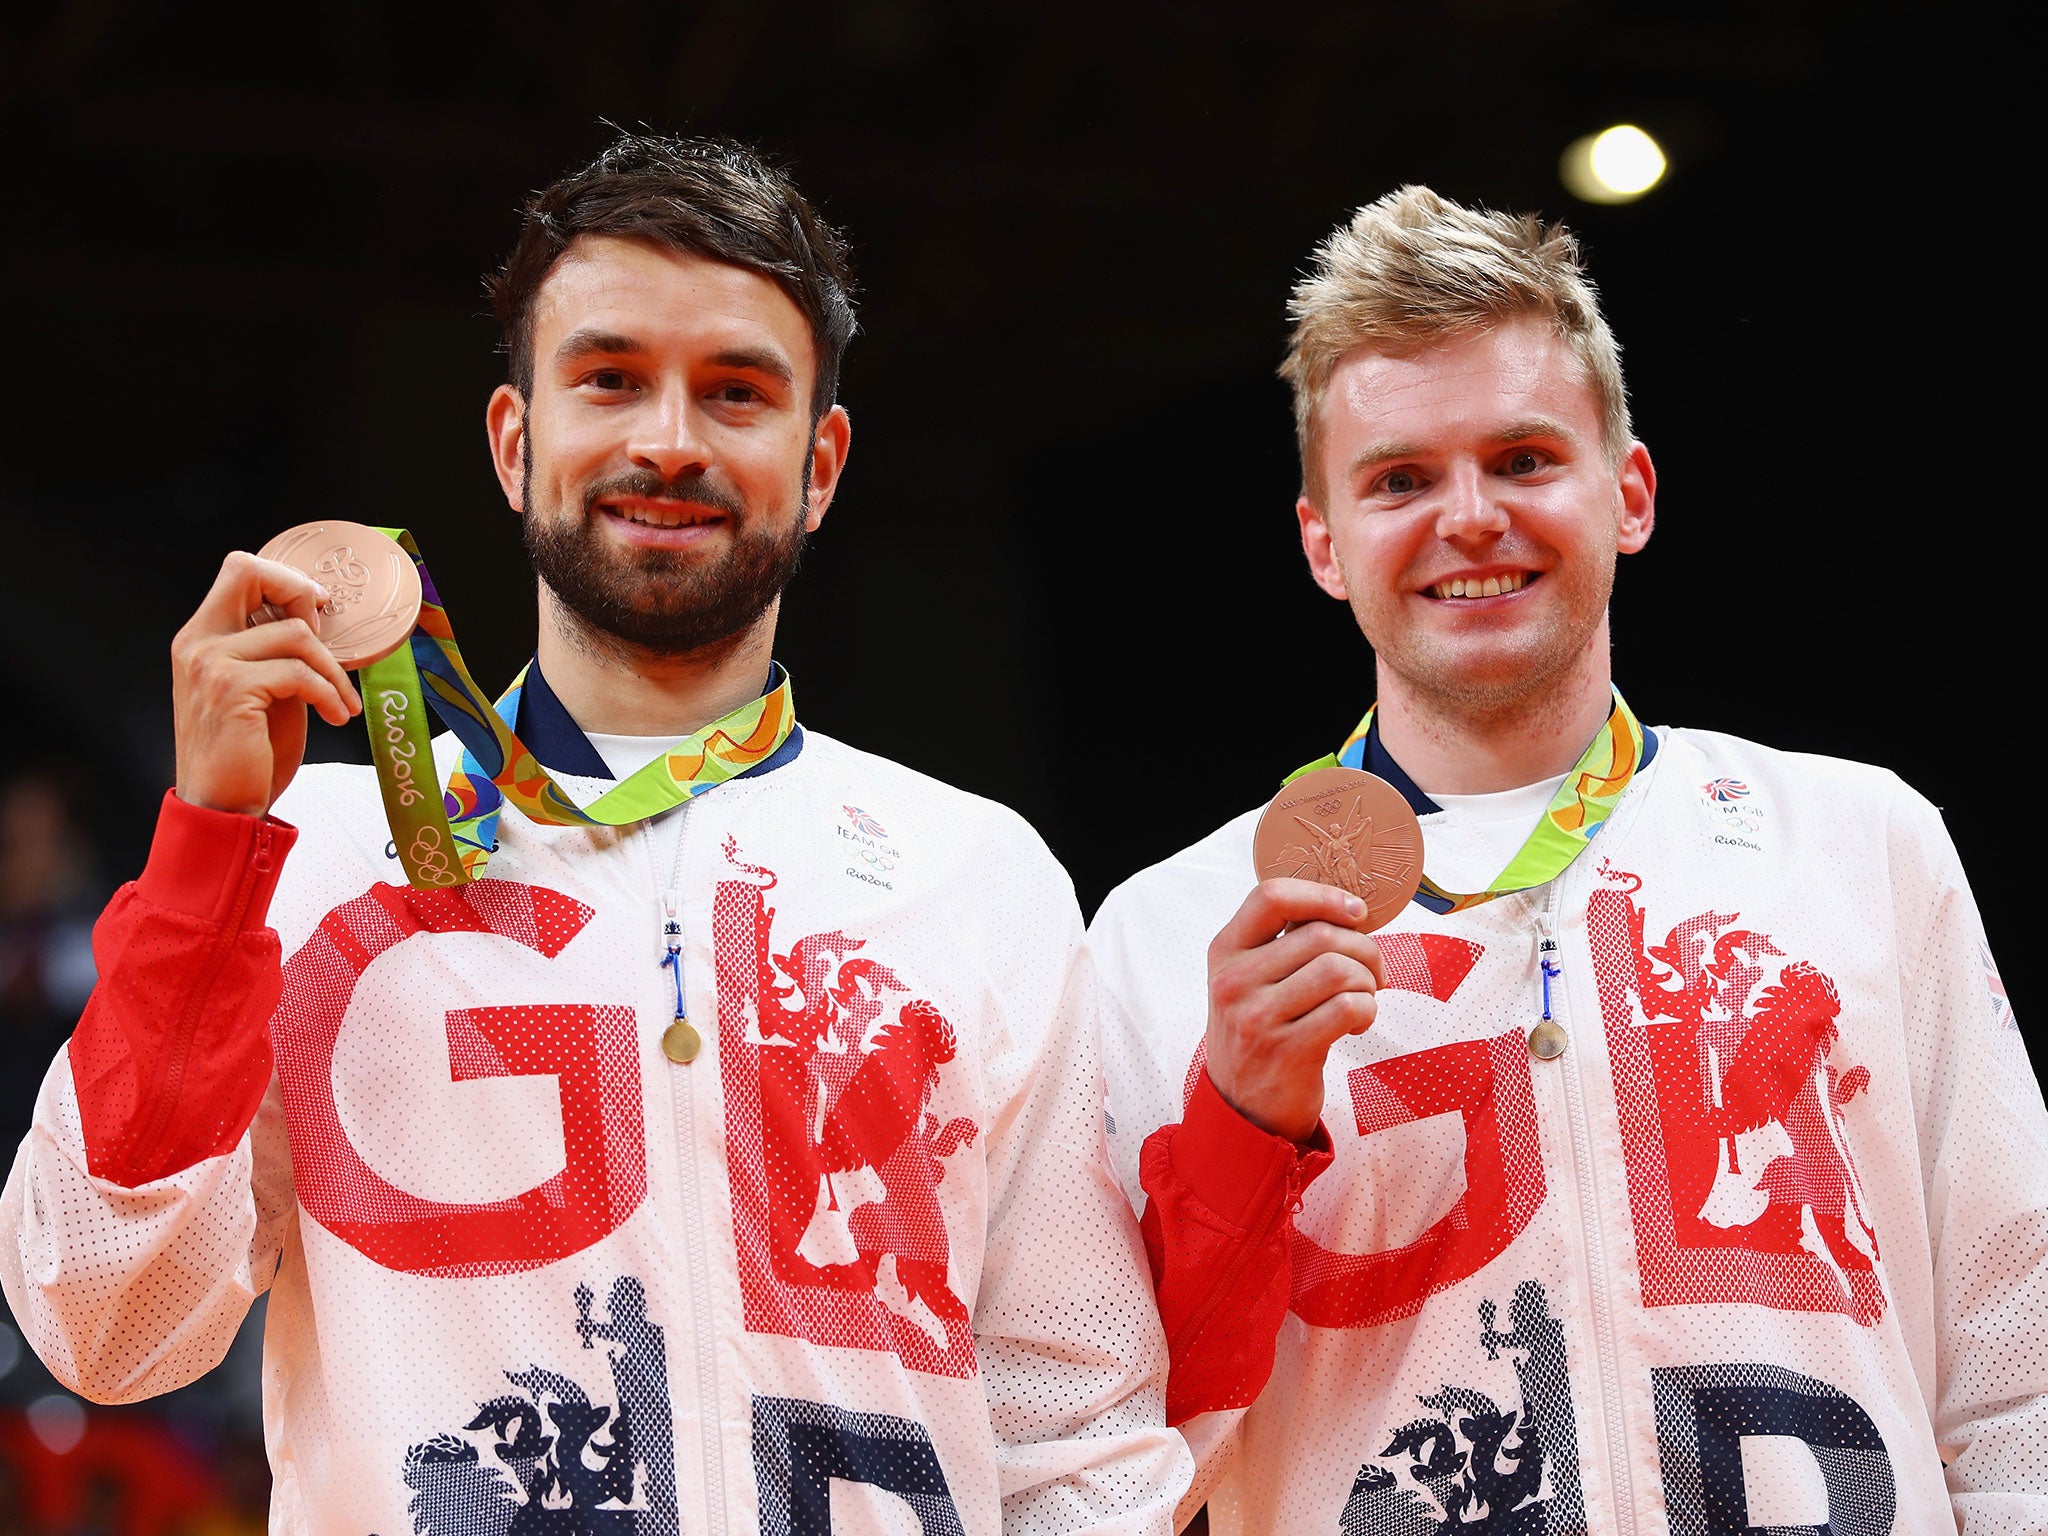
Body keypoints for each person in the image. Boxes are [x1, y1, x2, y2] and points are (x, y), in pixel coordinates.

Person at [0, 133, 1188, 1535]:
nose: (669, 440)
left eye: (735, 392)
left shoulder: (976, 872)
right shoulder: (314, 853)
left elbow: (1077, 1434)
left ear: (822, 463)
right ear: (516, 441)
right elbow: (104, 1321)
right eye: (610, 378)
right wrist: (208, 852)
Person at [1091, 185, 2048, 1533]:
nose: (1469, 518)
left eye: (1525, 459)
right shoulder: (1170, 932)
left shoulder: (1858, 840)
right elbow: (1107, 1457)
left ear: (1630, 493)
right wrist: (1242, 1132)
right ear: (1324, 545)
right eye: (1401, 480)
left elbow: (2021, 1358)